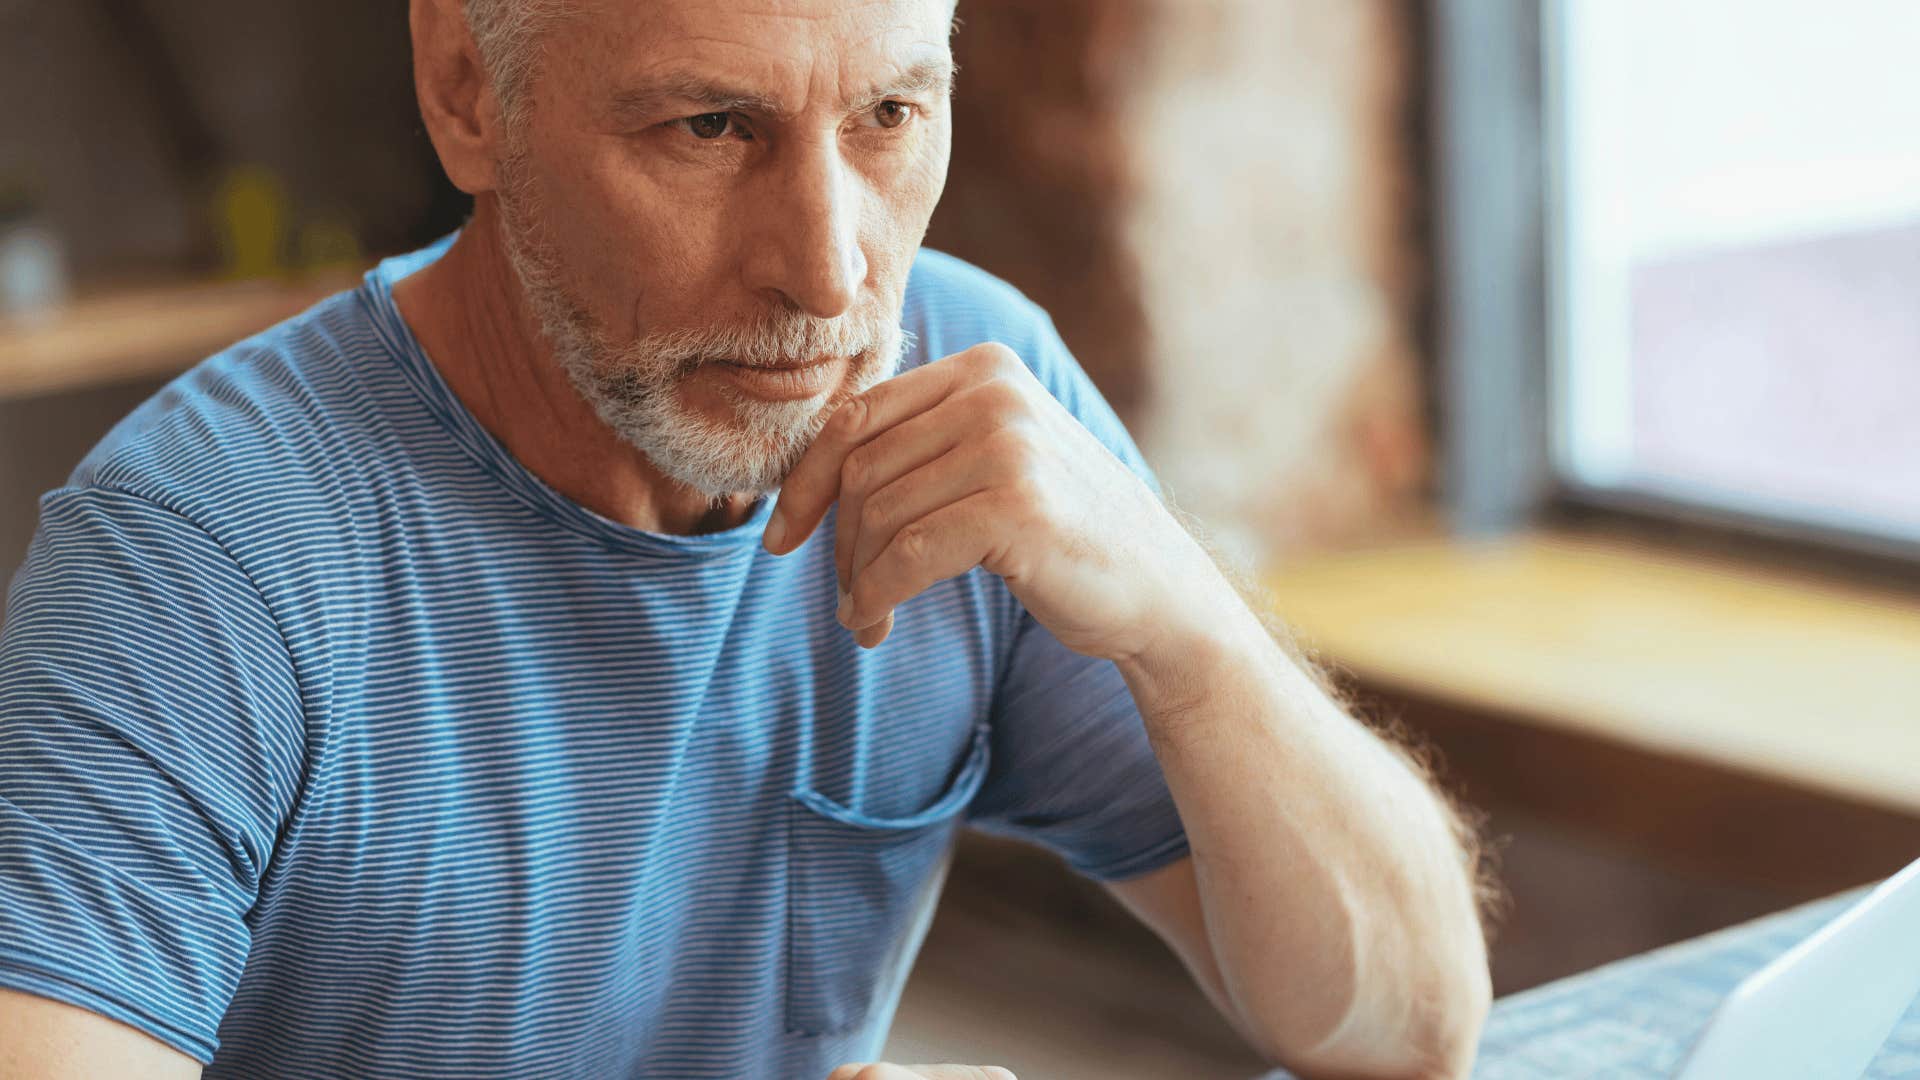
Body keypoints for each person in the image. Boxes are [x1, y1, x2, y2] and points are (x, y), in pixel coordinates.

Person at [0, 0, 1493, 1076]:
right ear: (466, 87)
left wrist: (1188, 624)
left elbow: (1409, 1025)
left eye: (892, 116)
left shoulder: (972, 385)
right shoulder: (198, 556)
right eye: (711, 128)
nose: (830, 270)